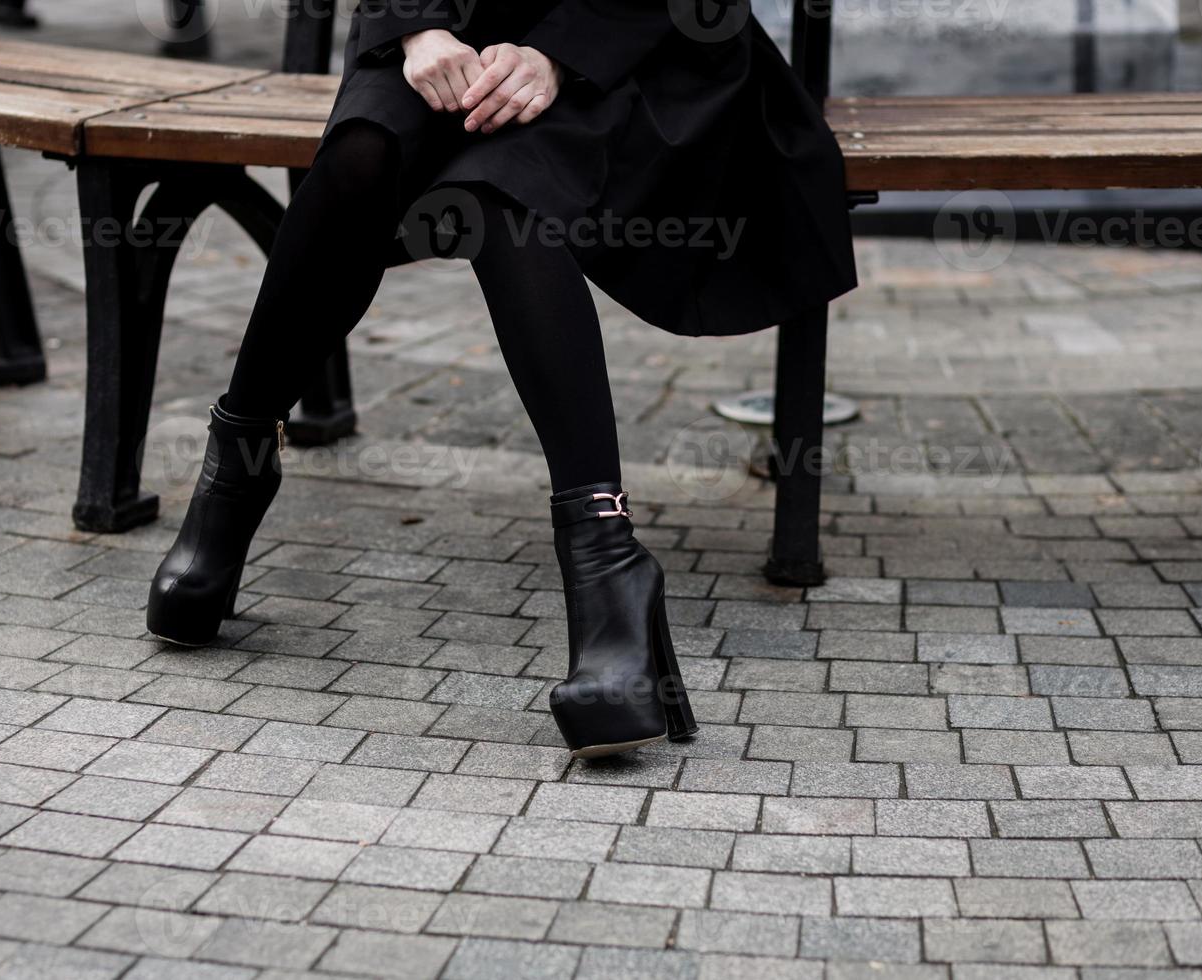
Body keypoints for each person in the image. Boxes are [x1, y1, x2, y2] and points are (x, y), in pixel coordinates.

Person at [146, 0, 857, 759]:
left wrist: (560, 52)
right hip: (440, 24)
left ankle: (606, 561)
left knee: (499, 196)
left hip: (637, 43)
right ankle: (237, 470)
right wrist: (417, 31)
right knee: (361, 155)